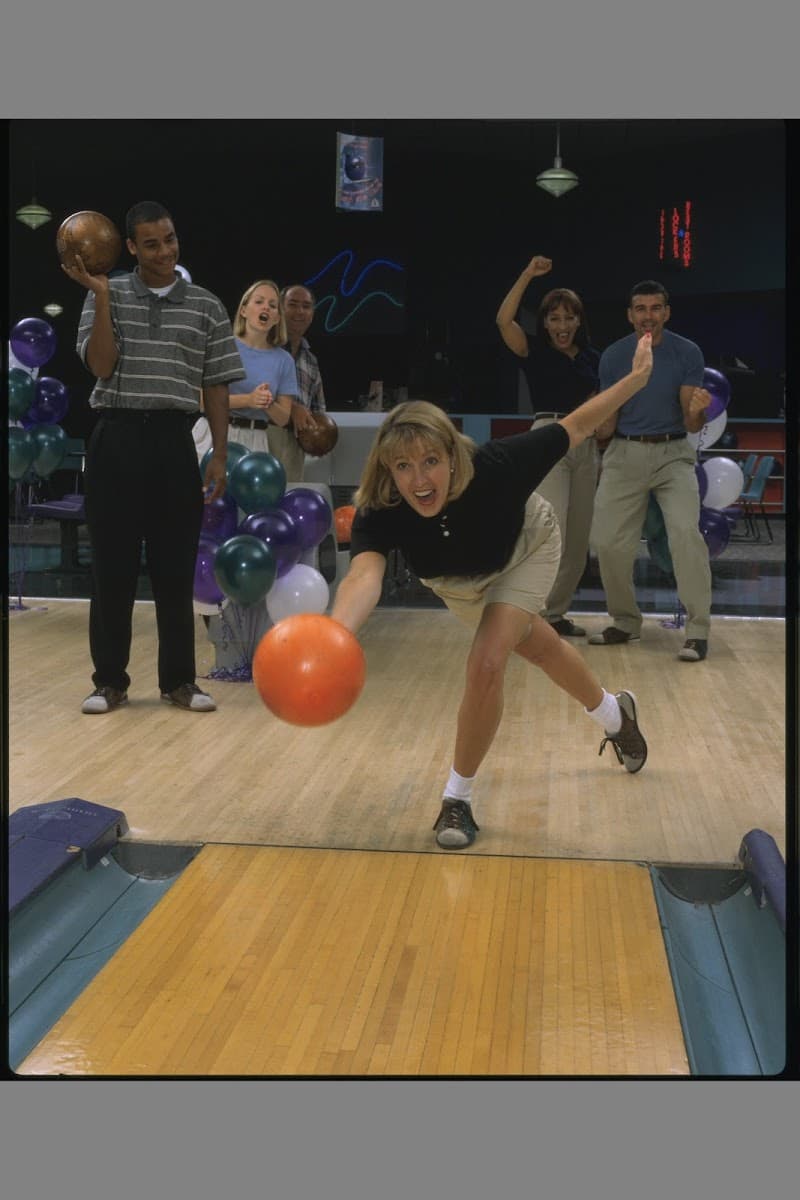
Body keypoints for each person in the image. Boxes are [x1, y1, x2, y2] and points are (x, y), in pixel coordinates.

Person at [330, 334, 654, 850]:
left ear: (451, 456)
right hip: (459, 582)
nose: (420, 479)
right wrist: (335, 636)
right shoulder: (381, 506)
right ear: (388, 470)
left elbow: (575, 424)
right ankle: (616, 715)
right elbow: (362, 577)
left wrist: (635, 380)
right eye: (404, 466)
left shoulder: (498, 465)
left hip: (527, 547)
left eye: (430, 460)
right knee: (540, 646)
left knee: (486, 661)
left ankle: (457, 797)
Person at [63, 199, 246, 714]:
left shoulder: (207, 305)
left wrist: (220, 454)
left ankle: (179, 682)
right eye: (151, 244)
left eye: (170, 239)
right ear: (130, 248)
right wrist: (100, 298)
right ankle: (110, 682)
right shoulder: (108, 291)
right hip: (115, 437)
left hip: (174, 442)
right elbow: (101, 366)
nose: (164, 251)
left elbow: (214, 385)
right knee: (112, 570)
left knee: (173, 568)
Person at [587, 280, 712, 662]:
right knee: (606, 542)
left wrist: (698, 410)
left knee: (684, 534)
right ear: (630, 315)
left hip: (673, 452)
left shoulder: (686, 352)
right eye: (640, 308)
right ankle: (625, 622)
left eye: (655, 308)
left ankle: (698, 630)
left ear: (666, 313)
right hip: (625, 453)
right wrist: (598, 418)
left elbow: (692, 424)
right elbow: (608, 428)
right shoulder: (613, 356)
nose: (648, 316)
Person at [496, 255, 601, 639]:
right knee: (546, 528)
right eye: (554, 318)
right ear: (544, 323)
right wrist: (526, 274)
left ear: (578, 321)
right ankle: (527, 614)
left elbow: (602, 402)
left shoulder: (594, 358)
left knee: (577, 538)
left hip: (585, 442)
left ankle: (555, 615)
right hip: (548, 435)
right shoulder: (534, 350)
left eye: (568, 318)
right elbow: (503, 321)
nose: (562, 325)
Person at [204, 279, 297, 675]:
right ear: (243, 309)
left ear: (277, 317)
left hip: (259, 446)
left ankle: (254, 637)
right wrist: (246, 400)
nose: (266, 308)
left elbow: (284, 416)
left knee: (253, 533)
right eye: (259, 301)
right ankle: (218, 634)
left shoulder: (282, 360)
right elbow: (201, 396)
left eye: (273, 305)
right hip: (222, 437)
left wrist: (268, 401)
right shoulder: (224, 346)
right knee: (215, 527)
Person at [276, 284, 328, 482]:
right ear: (280, 309)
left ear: (312, 314)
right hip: (263, 436)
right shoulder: (265, 347)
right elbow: (253, 393)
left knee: (287, 502)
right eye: (293, 304)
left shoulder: (310, 360)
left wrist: (320, 437)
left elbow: (319, 409)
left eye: (306, 306)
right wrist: (292, 409)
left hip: (296, 445)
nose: (300, 311)